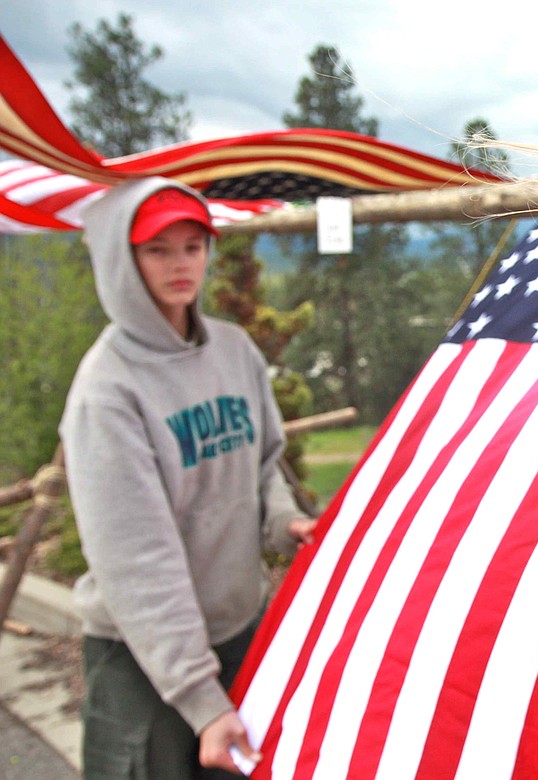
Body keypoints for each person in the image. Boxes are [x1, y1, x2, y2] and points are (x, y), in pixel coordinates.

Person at [60, 177, 317, 778]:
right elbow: (135, 559)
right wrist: (201, 700)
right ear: (123, 260)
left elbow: (264, 461)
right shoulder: (108, 390)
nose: (181, 264)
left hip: (239, 631)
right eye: (157, 249)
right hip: (145, 662)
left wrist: (283, 520)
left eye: (193, 246)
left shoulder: (233, 350)